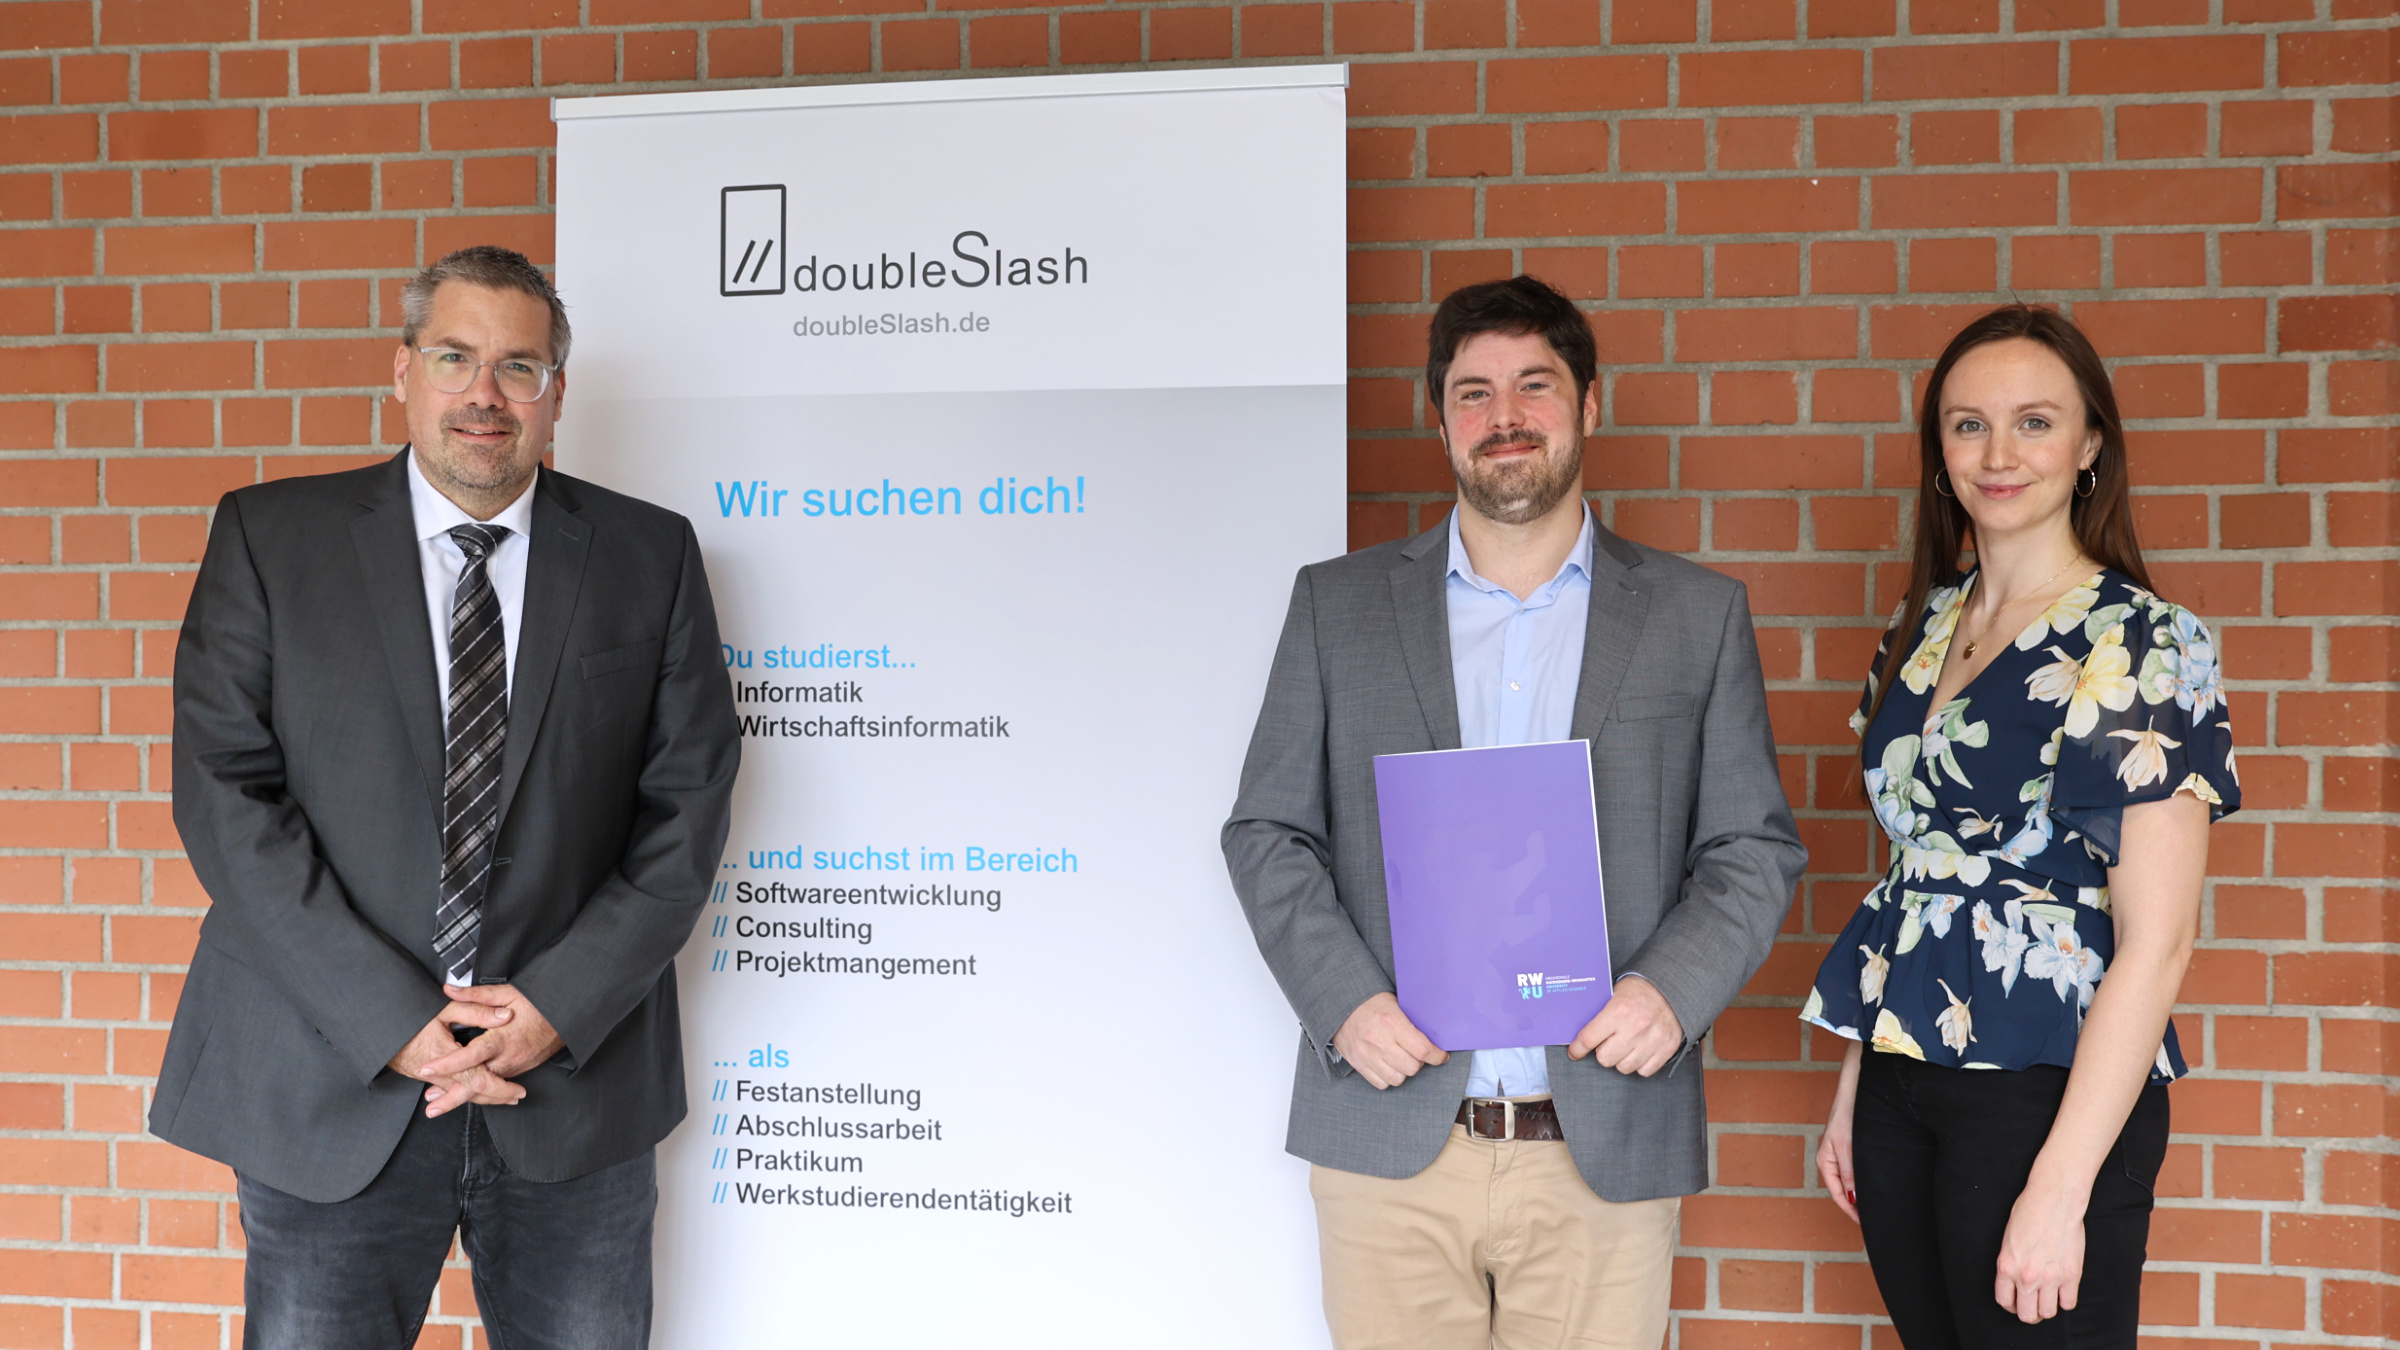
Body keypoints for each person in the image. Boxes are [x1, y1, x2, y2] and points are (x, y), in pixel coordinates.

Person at [150, 245, 741, 1349]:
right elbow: (226, 796)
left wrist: (555, 1007)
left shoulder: (648, 556)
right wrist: (391, 1020)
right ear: (403, 370)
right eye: (455, 357)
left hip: (571, 1084)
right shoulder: (272, 540)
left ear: (555, 392)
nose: (485, 394)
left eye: (520, 367)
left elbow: (687, 806)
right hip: (330, 1073)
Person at [1223, 275, 1807, 1349]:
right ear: (1440, 419)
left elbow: (1750, 849)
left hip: (1603, 1142)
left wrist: (1671, 994)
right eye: (1474, 392)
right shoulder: (1337, 608)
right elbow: (1268, 832)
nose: (1505, 416)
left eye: (1535, 386)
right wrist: (1345, 1004)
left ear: (1591, 404)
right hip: (1392, 1140)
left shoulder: (1696, 615)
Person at [1805, 304, 2239, 1349]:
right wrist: (1857, 1080)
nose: (1998, 454)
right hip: (1901, 1083)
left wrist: (2059, 1188)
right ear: (1940, 450)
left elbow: (2159, 941)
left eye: (2034, 422)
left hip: (2046, 1095)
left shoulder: (2140, 642)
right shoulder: (1921, 627)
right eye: (1969, 425)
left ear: (2090, 445)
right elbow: (1914, 880)